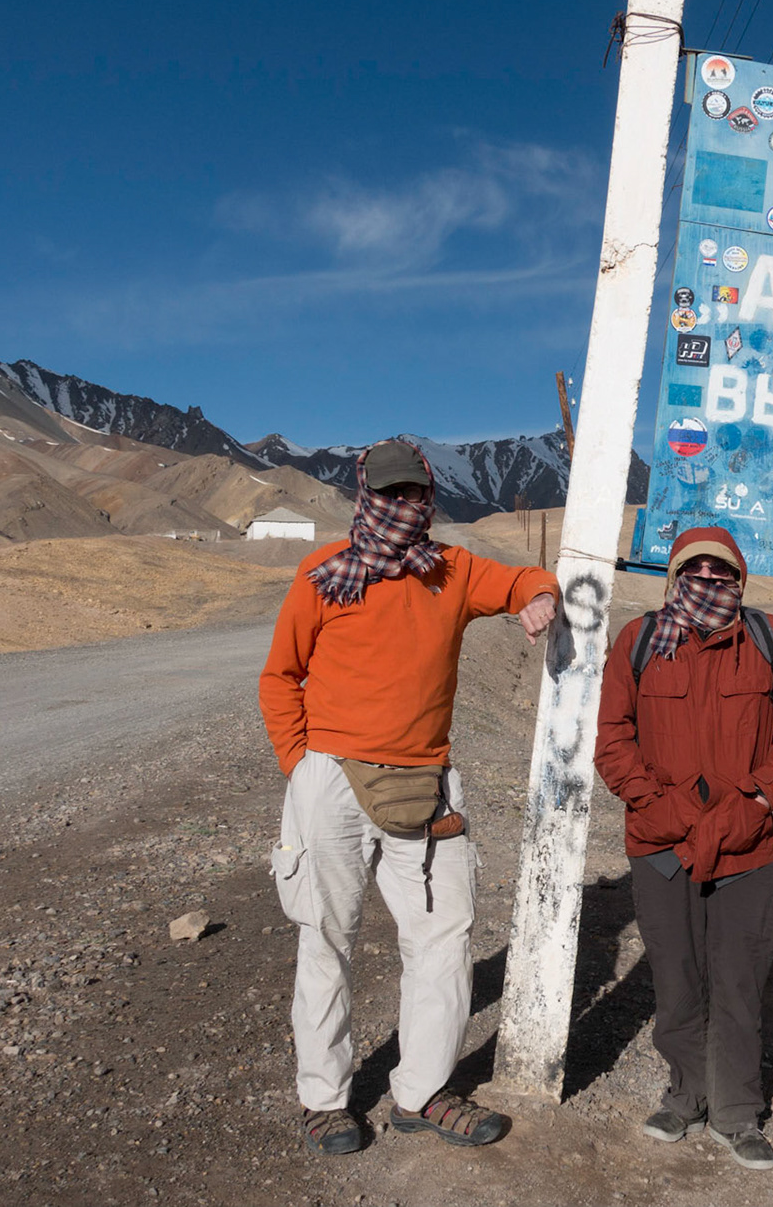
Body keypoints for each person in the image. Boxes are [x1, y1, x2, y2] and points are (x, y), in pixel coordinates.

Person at [258, 439, 558, 1155]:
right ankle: (324, 1099)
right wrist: (302, 767)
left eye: (413, 494)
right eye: (388, 494)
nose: (402, 506)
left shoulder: (452, 571)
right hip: (330, 779)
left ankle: (421, 1093)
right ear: (367, 495)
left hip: (425, 780)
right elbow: (279, 677)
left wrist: (540, 595)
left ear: (430, 495)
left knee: (444, 939)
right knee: (326, 940)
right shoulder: (324, 574)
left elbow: (521, 580)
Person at [593, 526, 773, 1170]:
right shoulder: (640, 642)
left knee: (739, 979)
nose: (708, 585)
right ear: (674, 578)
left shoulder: (771, 641)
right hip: (660, 842)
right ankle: (685, 1093)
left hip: (745, 844)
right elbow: (613, 735)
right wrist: (658, 806)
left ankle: (737, 1111)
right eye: (695, 573)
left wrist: (752, 805)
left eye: (722, 575)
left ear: (739, 581)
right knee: (675, 973)